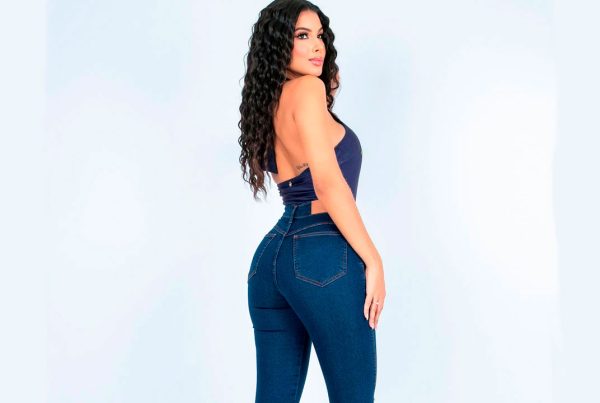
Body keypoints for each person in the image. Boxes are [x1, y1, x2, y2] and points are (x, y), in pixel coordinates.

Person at [238, 1, 386, 401]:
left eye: (320, 35)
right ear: (278, 43)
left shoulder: (267, 105)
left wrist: (324, 86)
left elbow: (299, 168)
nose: (317, 45)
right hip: (322, 255)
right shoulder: (307, 90)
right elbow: (328, 183)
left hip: (271, 260)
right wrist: (373, 260)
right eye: (302, 36)